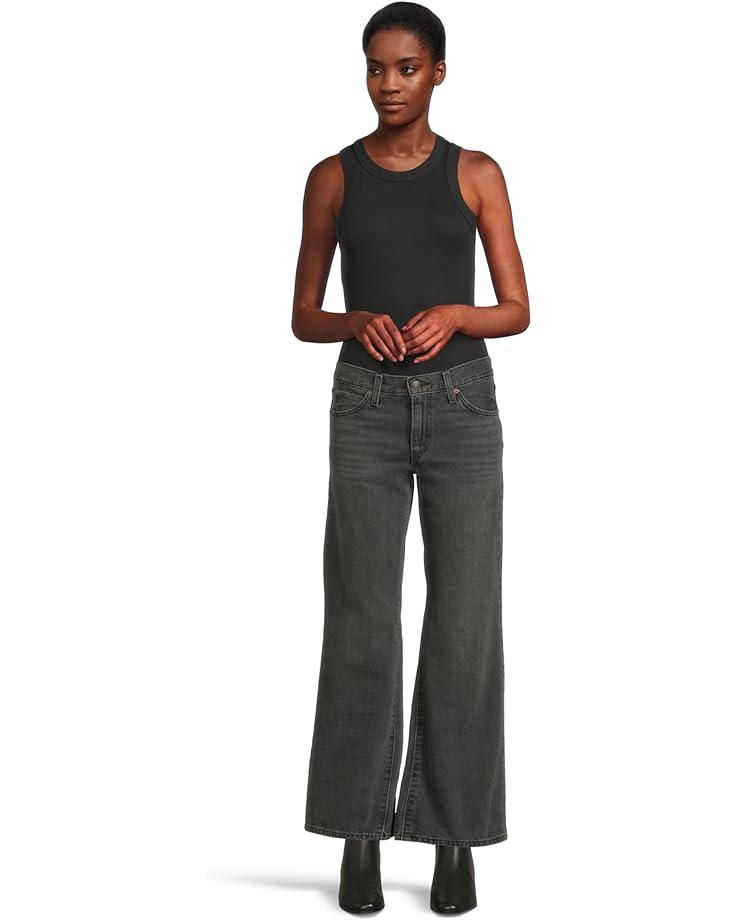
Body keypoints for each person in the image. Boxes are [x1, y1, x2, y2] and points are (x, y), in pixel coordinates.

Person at [291, 3, 529, 913]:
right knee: (362, 618)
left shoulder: (476, 172)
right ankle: (358, 832)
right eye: (375, 68)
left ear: (438, 72)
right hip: (365, 406)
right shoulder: (332, 176)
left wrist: (458, 314)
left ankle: (454, 837)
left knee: (465, 625)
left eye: (406, 67)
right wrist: (355, 320)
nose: (388, 84)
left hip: (464, 405)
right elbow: (304, 315)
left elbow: (517, 308)